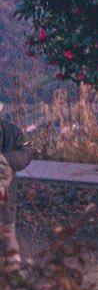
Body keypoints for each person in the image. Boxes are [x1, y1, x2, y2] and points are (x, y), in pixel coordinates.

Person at [0, 111, 33, 265]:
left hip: (5, 204)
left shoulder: (11, 131)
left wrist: (5, 160)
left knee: (8, 240)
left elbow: (26, 153)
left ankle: (13, 272)